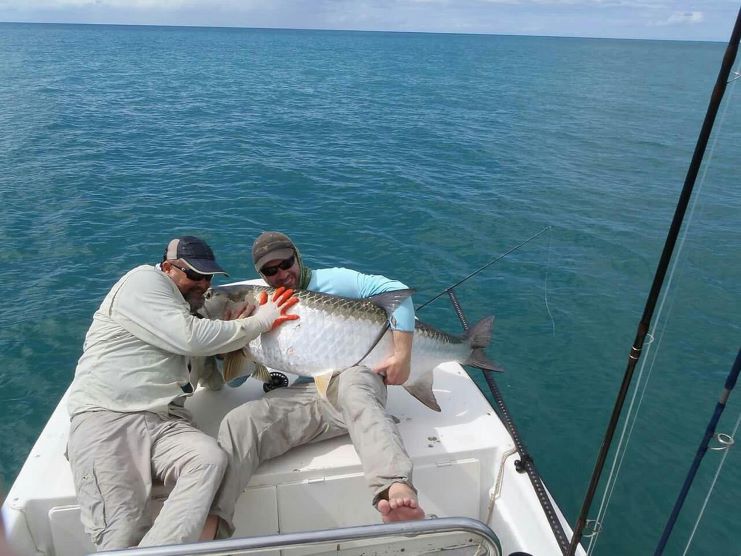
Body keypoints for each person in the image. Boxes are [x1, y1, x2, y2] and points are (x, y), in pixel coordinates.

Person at [66, 236, 299, 551]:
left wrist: (233, 345)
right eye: (192, 274)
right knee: (123, 527)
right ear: (166, 267)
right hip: (109, 416)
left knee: (209, 459)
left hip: (166, 422)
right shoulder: (143, 281)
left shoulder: (193, 316)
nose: (202, 284)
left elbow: (219, 383)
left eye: (207, 277)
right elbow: (190, 338)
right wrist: (260, 322)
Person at [210, 231, 424, 538]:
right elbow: (240, 376)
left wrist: (402, 356)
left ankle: (394, 485)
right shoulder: (258, 303)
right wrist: (232, 340)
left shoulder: (334, 280)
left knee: (354, 390)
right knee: (238, 422)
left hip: (356, 373)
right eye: (271, 271)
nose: (283, 274)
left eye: (287, 263)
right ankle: (211, 525)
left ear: (297, 256)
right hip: (316, 392)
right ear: (261, 275)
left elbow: (398, 291)